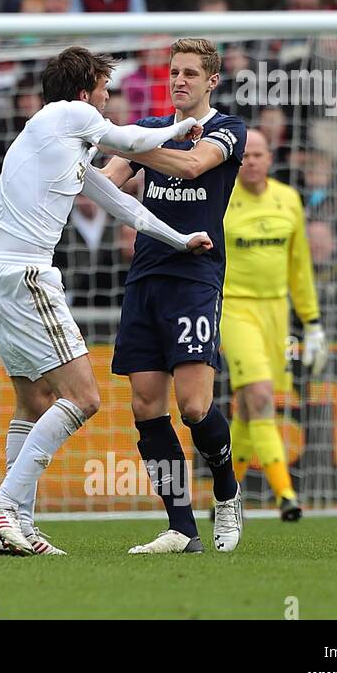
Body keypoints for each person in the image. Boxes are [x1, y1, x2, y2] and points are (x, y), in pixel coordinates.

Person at [0, 47, 211, 556]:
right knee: (85, 399)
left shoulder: (59, 140)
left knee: (32, 402)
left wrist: (180, 239)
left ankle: (21, 527)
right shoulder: (70, 112)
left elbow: (123, 204)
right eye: (104, 89)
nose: (108, 99)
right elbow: (130, 140)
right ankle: (2, 504)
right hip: (27, 274)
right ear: (84, 91)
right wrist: (178, 129)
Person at [100, 37, 249, 554]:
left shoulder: (228, 130)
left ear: (211, 81)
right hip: (146, 278)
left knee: (193, 405)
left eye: (190, 73)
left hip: (195, 276)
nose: (179, 80)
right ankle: (181, 528)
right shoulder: (147, 130)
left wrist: (131, 144)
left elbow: (189, 167)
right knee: (145, 405)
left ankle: (227, 494)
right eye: (173, 72)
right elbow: (105, 185)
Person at [220, 130, 327, 523]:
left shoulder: (288, 199)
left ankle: (224, 496)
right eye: (245, 155)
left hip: (276, 312)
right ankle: (285, 493)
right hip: (234, 307)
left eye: (259, 155)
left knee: (249, 409)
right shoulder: (223, 197)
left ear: (270, 158)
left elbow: (299, 267)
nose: (251, 161)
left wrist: (312, 323)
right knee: (261, 396)